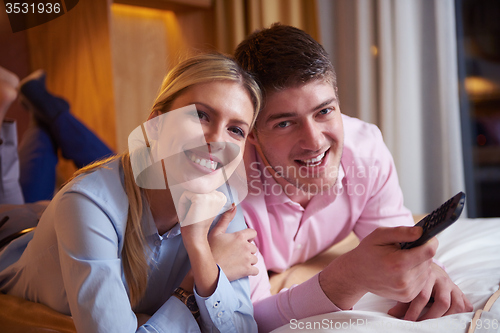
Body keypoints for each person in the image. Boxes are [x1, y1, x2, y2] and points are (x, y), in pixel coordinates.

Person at [234, 24, 473, 332]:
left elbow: (394, 241)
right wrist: (347, 277)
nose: (315, 141)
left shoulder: (366, 150)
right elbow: (247, 320)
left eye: (323, 112)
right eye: (284, 123)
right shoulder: (226, 186)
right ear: (251, 133)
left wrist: (424, 272)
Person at [0, 53, 261, 332]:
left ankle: (44, 114)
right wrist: (191, 289)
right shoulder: (87, 203)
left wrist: (200, 251)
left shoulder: (224, 204)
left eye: (236, 130)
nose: (217, 141)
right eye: (200, 115)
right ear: (156, 124)